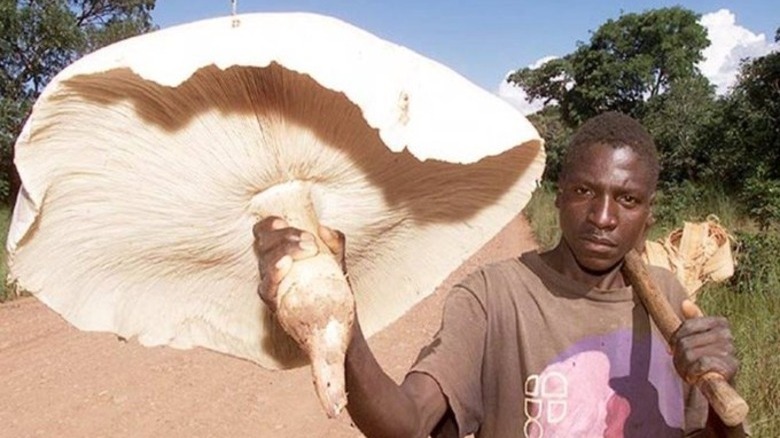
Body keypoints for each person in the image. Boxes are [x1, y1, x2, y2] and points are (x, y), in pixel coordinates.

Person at [253, 111, 742, 437]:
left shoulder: (673, 303)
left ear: (649, 213)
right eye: (584, 192)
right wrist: (344, 315)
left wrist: (723, 402)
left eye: (627, 199)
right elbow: (406, 422)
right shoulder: (494, 296)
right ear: (559, 195)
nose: (603, 217)